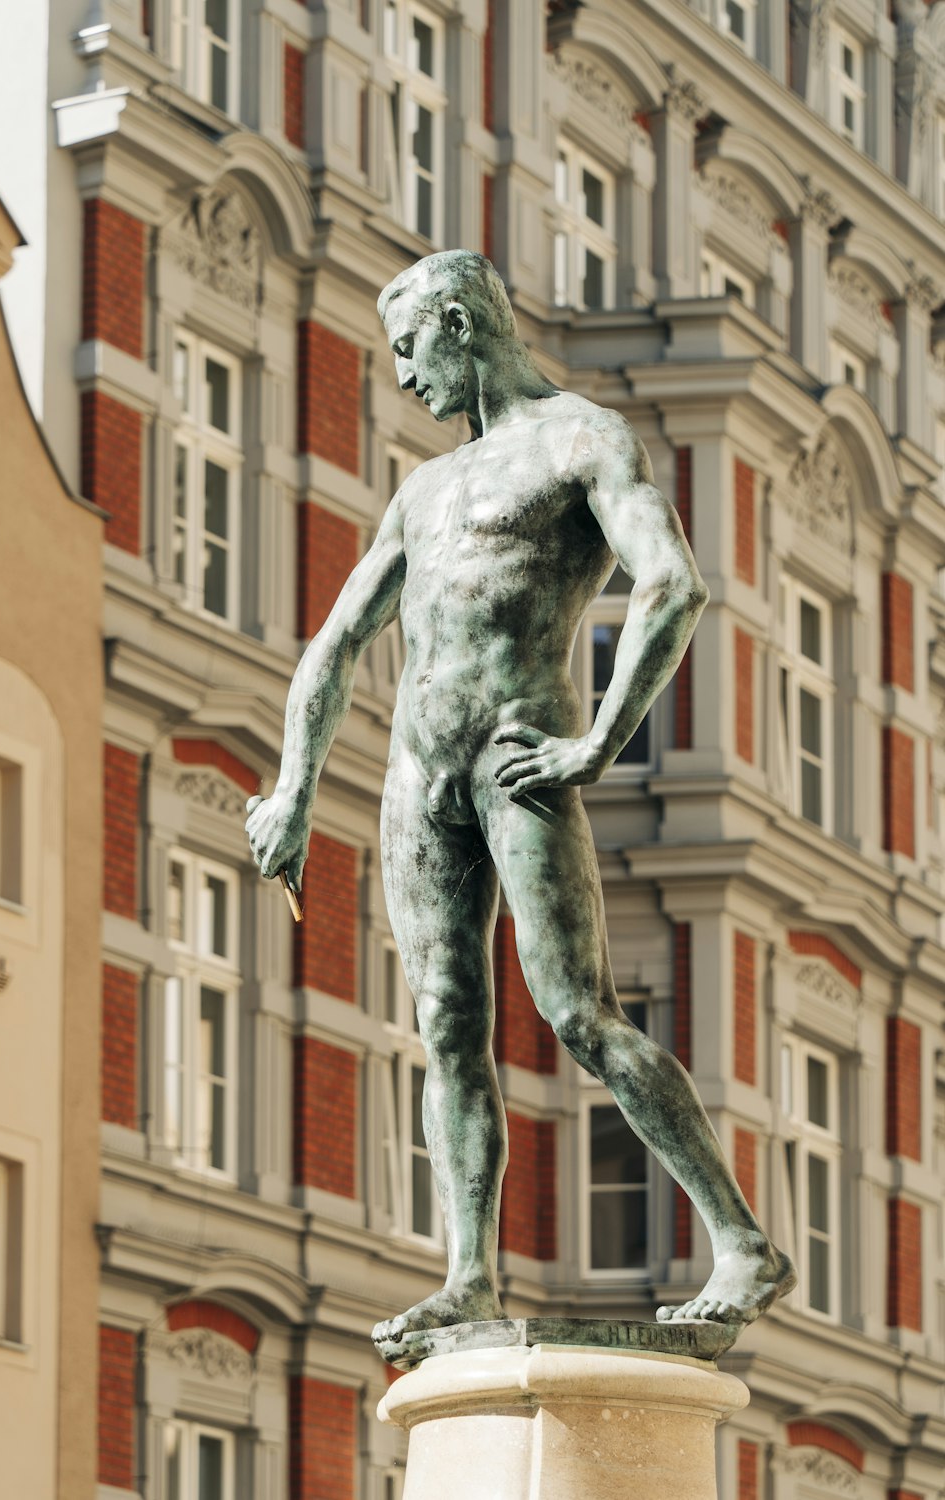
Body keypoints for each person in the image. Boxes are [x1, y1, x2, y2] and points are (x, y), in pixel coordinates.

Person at [245, 250, 795, 1348]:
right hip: (419, 779)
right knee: (446, 1027)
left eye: (409, 347)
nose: (403, 375)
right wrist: (292, 789)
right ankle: (468, 1276)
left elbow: (672, 584)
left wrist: (595, 742)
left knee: (579, 1016)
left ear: (458, 322)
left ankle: (742, 1243)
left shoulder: (579, 441)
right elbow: (336, 641)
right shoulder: (425, 489)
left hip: (515, 764)